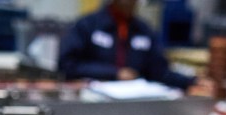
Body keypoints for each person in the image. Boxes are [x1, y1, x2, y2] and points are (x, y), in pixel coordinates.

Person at [58, 0, 198, 91]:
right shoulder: (87, 25)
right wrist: (115, 73)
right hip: (91, 99)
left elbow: (160, 71)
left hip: (133, 103)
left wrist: (191, 81)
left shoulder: (144, 31)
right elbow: (67, 65)